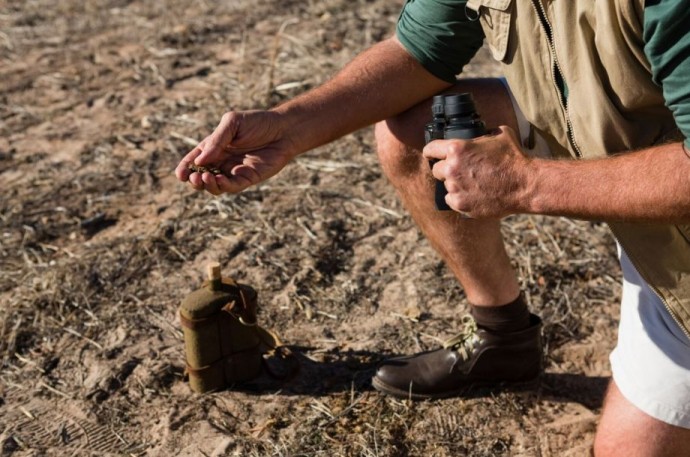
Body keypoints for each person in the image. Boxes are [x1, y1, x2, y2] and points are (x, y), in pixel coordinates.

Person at [176, 0, 690, 454]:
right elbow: (417, 52)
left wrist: (529, 183)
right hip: (623, 152)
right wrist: (288, 129)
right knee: (419, 126)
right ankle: (502, 339)